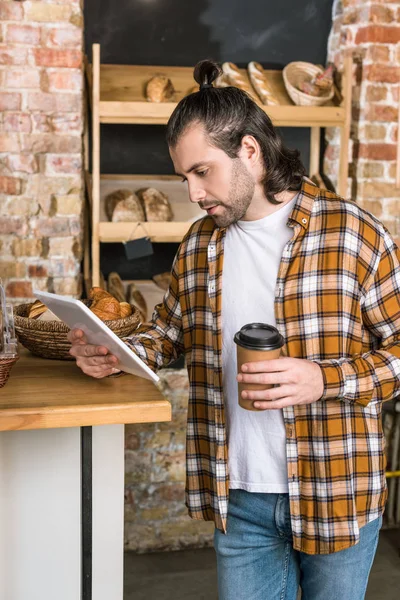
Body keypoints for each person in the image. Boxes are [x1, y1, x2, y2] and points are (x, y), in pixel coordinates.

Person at [69, 59, 400, 599]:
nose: (194, 194)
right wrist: (120, 351)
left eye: (203, 172)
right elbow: (170, 334)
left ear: (250, 151)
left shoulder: (354, 234)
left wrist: (325, 378)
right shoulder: (200, 244)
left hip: (336, 488)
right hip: (241, 497)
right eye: (185, 178)